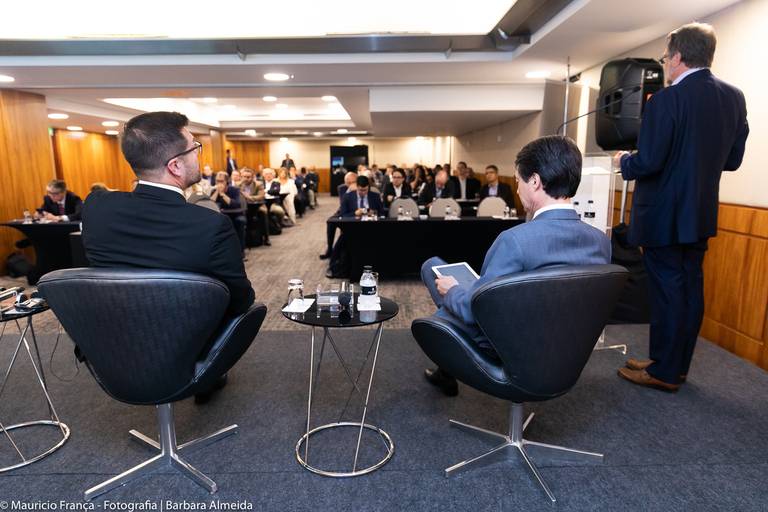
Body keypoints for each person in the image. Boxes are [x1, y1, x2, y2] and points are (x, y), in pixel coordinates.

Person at [81, 111, 255, 404]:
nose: (198, 154)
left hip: (112, 347)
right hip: (184, 349)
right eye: (195, 147)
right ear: (175, 165)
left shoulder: (96, 207)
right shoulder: (210, 225)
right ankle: (205, 377)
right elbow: (241, 300)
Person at [613, 22, 749, 392]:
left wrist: (624, 161)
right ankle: (674, 365)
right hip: (700, 212)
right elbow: (732, 160)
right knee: (689, 288)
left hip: (663, 215)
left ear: (676, 57)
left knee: (667, 292)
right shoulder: (734, 97)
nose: (665, 64)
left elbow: (649, 161)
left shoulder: (666, 100)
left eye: (665, 57)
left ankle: (664, 372)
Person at [420, 136, 611, 396]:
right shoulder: (601, 242)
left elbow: (475, 312)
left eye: (518, 180)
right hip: (566, 351)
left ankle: (446, 369)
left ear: (535, 181)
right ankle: (445, 372)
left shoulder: (514, 241)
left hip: (511, 349)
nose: (517, 189)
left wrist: (452, 291)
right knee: (438, 269)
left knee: (434, 273)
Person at [320, 171, 357, 260]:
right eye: (348, 183)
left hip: (356, 211)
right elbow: (343, 203)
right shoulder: (342, 188)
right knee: (330, 221)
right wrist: (350, 192)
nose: (351, 184)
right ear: (345, 182)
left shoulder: (361, 187)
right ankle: (329, 249)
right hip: (343, 210)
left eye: (353, 182)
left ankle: (342, 250)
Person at [210, 171, 247, 253]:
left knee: (240, 221)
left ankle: (241, 251)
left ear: (227, 181)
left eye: (221, 181)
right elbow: (211, 204)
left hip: (235, 215)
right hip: (222, 216)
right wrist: (217, 192)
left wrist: (222, 194)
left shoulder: (234, 190)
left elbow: (235, 204)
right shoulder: (214, 191)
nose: (219, 183)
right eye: (217, 181)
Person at [239, 168, 271, 246]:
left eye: (248, 177)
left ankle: (266, 237)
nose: (246, 179)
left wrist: (248, 197)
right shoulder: (238, 185)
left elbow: (261, 196)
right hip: (243, 207)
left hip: (257, 206)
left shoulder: (258, 184)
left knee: (263, 213)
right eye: (244, 177)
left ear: (252, 177)